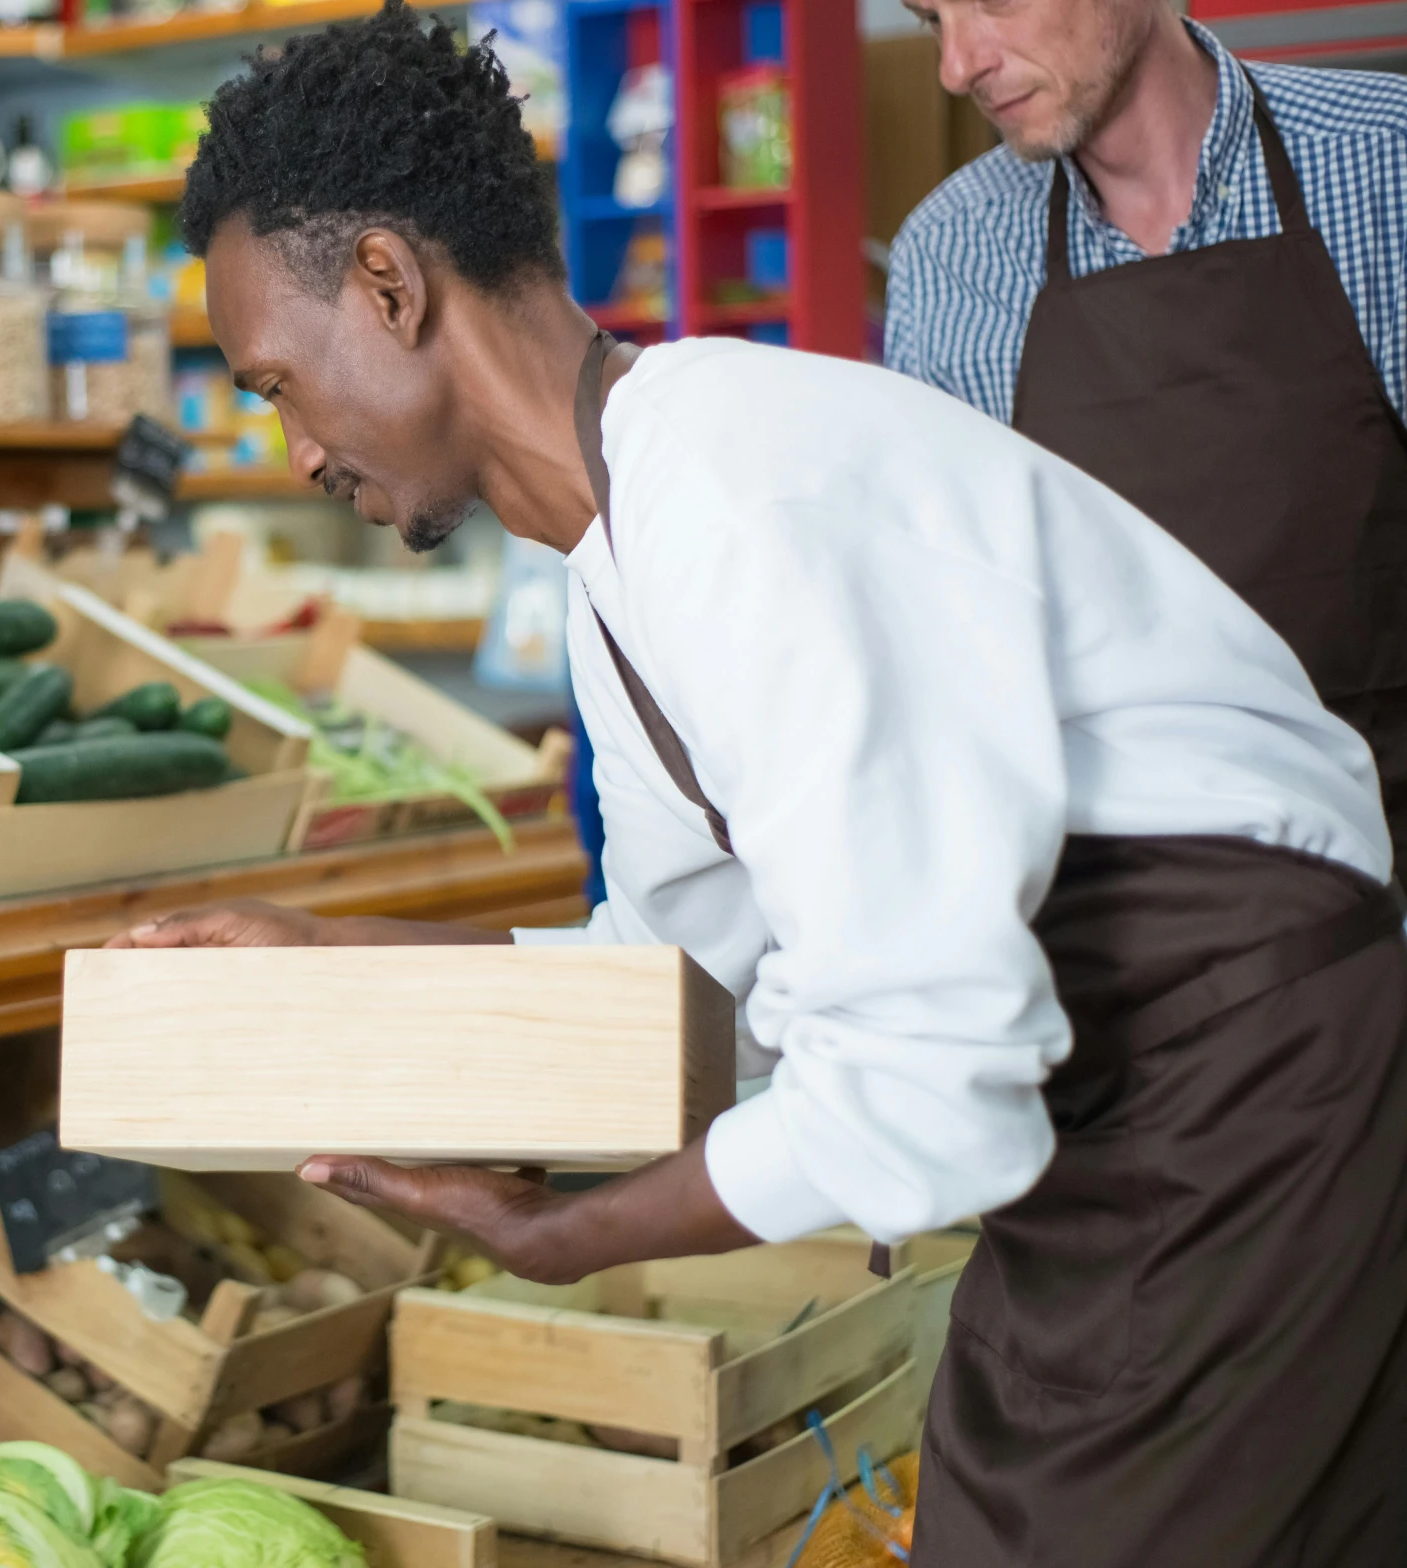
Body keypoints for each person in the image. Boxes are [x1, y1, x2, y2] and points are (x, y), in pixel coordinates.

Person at [109, 6, 1407, 1562]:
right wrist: (327, 965)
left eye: (274, 382)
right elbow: (677, 976)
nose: (292, 444)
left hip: (1258, 1122)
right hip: (1116, 1134)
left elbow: (929, 1104)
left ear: (389, 286)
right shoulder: (623, 542)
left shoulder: (734, 498)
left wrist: (568, 1237)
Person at [883, 0, 1407, 845]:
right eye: (929, 20)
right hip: (1111, 923)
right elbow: (950, 654)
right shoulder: (948, 259)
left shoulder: (1386, 169)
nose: (956, 66)